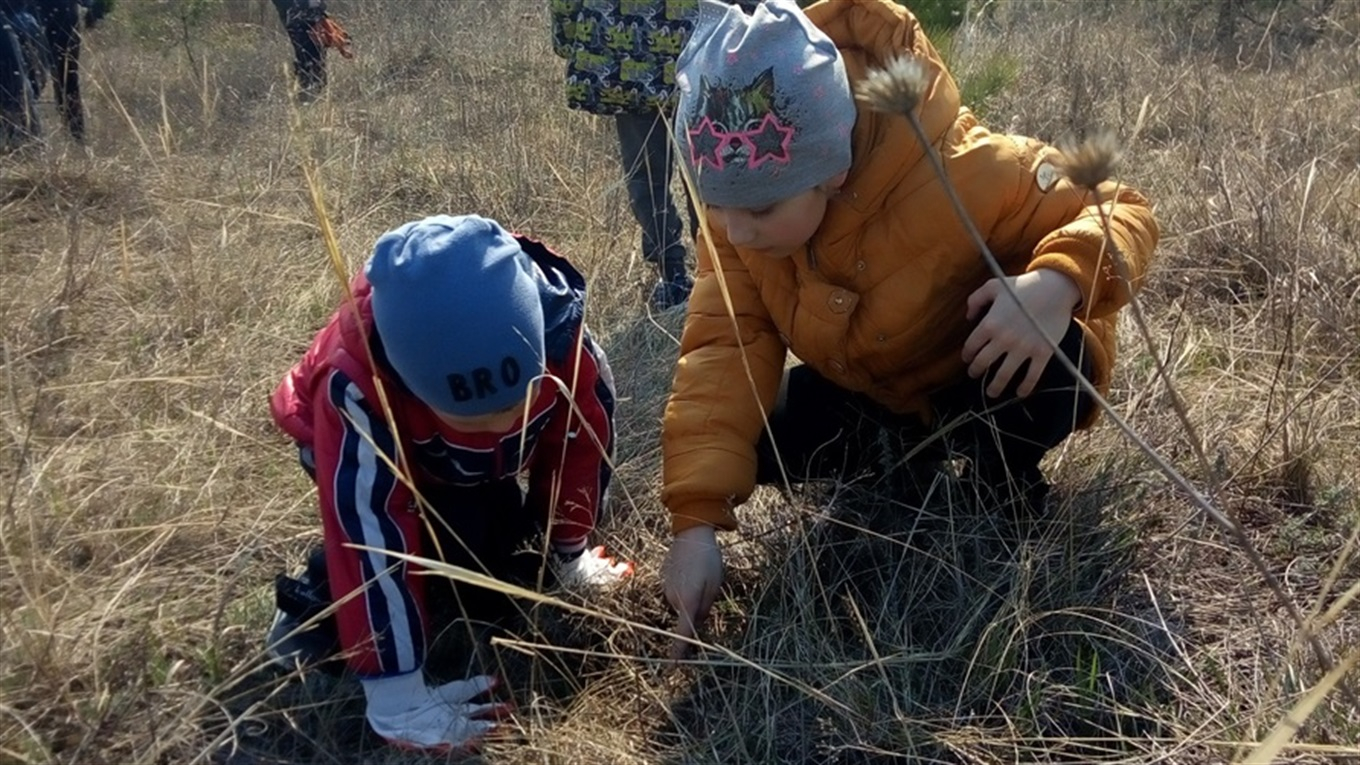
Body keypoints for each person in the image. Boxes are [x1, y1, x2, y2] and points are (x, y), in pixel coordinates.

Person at [659, 0, 1159, 657]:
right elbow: (721, 351)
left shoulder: (965, 168)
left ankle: (997, 478)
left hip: (980, 374)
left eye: (758, 209)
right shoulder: (736, 230)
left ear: (830, 168)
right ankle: (901, 462)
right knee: (760, 435)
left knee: (1058, 365)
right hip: (875, 391)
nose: (734, 230)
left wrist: (1056, 283)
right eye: (715, 206)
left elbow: (1123, 208)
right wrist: (695, 523)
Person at [266, 214, 632, 752]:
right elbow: (368, 529)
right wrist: (396, 693)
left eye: (516, 405)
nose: (503, 424)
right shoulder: (355, 385)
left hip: (470, 463)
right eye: (474, 417)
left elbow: (579, 447)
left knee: (489, 557)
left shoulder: (562, 339)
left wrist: (569, 552)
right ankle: (311, 611)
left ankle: (456, 567)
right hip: (377, 458)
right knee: (420, 530)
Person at [549, 0, 758, 311]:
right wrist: (755, 28)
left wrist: (570, 40)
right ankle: (717, 271)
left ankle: (674, 274)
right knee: (710, 171)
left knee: (648, 177)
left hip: (629, 68)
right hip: (703, 56)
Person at [270, 0, 350, 101]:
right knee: (309, 55)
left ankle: (312, 93)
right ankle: (311, 92)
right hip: (301, 15)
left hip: (306, 15)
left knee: (311, 55)